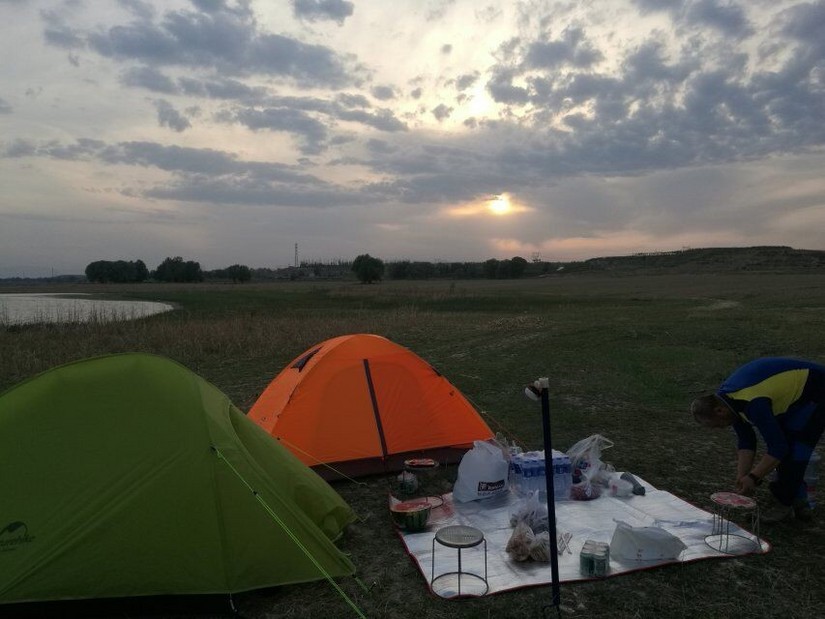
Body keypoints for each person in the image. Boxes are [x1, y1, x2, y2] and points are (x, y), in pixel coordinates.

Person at [691, 357, 825, 524]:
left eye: (716, 425)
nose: (719, 428)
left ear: (719, 411)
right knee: (787, 442)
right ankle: (799, 501)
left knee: (795, 449)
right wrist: (742, 475)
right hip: (792, 396)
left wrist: (754, 477)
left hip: (817, 390)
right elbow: (746, 440)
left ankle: (783, 504)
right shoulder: (729, 402)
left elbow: (778, 448)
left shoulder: (753, 402)